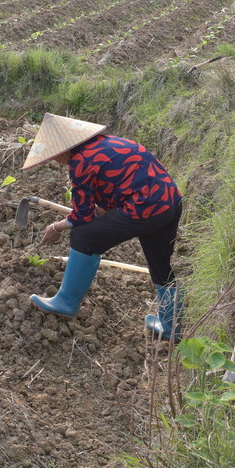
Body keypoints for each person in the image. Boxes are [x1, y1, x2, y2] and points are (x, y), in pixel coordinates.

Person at [22, 113, 184, 342]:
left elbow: (82, 216)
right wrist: (102, 210)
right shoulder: (114, 143)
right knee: (159, 262)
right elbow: (126, 185)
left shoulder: (80, 161)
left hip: (145, 208)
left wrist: (56, 227)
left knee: (84, 236)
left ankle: (66, 302)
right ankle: (171, 326)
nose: (55, 161)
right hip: (170, 202)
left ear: (61, 151)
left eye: (53, 156)